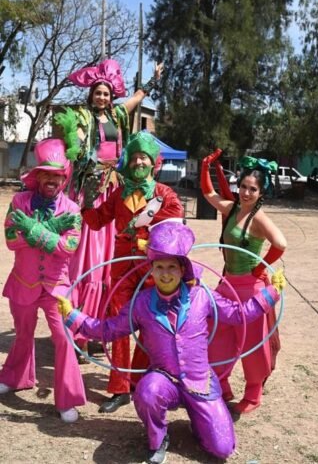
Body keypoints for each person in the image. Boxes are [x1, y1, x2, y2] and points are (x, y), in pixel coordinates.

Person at [56, 221, 286, 462]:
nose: (165, 273)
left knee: (223, 449)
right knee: (147, 391)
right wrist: (73, 315)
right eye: (159, 267)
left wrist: (272, 292)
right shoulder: (141, 303)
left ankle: (199, 423)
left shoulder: (202, 296)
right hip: (163, 379)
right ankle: (158, 439)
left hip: (200, 382)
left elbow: (239, 314)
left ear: (182, 269)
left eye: (171, 267)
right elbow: (108, 330)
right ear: (152, 270)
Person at [55, 59, 163, 363]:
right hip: (90, 193)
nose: (102, 97)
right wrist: (74, 144)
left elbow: (138, 98)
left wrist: (153, 81)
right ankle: (79, 332)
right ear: (90, 95)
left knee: (109, 262)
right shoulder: (81, 117)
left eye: (105, 93)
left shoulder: (117, 114)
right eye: (97, 93)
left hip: (114, 187)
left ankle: (103, 328)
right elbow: (73, 142)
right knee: (87, 262)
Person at [80, 132, 184, 413]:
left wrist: (147, 238)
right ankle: (119, 387)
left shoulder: (165, 195)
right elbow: (97, 221)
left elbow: (176, 227)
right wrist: (86, 202)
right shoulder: (117, 195)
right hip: (121, 268)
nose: (138, 161)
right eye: (135, 157)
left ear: (153, 164)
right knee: (118, 323)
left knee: (149, 322)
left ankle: (139, 378)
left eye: (144, 158)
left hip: (152, 268)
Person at [0, 138, 86, 422]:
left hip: (56, 287)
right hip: (23, 282)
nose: (51, 178)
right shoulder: (19, 201)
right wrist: (50, 231)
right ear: (37, 176)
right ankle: (15, 378)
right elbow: (11, 240)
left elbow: (68, 248)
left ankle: (67, 398)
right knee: (23, 333)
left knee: (63, 338)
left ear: (64, 177)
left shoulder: (73, 210)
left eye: (57, 174)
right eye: (46, 173)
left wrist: (34, 229)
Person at [201, 151, 286, 414]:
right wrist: (206, 166)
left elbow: (281, 244)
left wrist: (260, 267)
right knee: (217, 335)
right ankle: (222, 383)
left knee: (252, 343)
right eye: (243, 187)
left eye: (253, 189)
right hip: (227, 284)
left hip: (251, 288)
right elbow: (208, 194)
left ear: (261, 193)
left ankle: (253, 393)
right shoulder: (232, 208)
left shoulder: (259, 218)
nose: (246, 193)